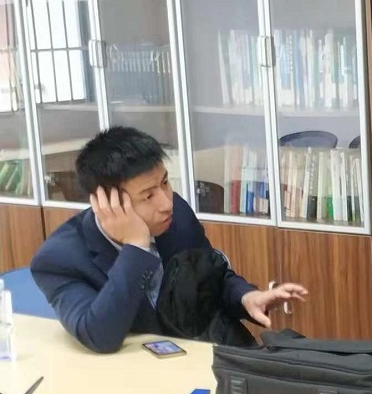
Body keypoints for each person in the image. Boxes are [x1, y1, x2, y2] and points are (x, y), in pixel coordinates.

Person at [31, 126, 307, 353]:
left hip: (211, 357)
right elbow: (99, 336)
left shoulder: (177, 215)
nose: (166, 203)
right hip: (137, 381)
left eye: (165, 182)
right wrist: (135, 247)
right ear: (107, 203)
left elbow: (208, 278)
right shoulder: (59, 259)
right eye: (148, 196)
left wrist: (247, 297)